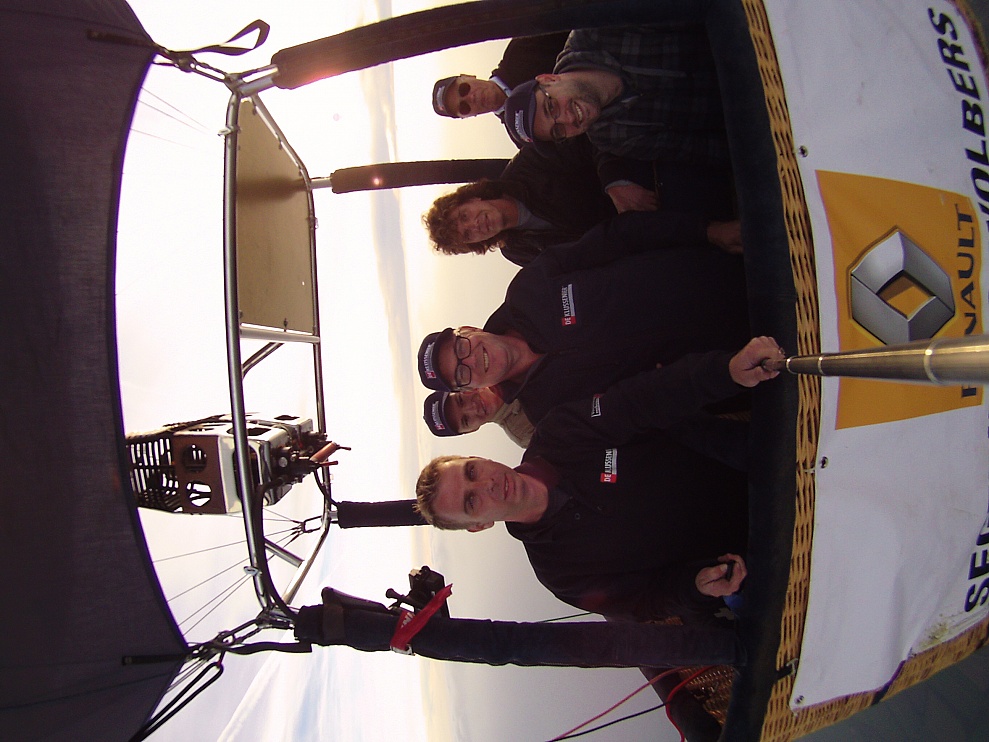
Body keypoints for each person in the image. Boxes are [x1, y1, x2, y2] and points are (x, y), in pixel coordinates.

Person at [415, 338, 783, 623]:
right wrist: (695, 586)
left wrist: (725, 373)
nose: (487, 486)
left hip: (764, 462)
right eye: (471, 501)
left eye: (472, 472)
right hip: (762, 554)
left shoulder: (559, 432)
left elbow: (642, 399)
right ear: (479, 525)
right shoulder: (560, 572)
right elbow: (645, 601)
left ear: (480, 458)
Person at [416, 210, 747, 425]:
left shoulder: (529, 288)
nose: (472, 360)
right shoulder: (547, 413)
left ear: (469, 329)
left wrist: (707, 230)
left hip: (728, 273)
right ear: (472, 387)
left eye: (461, 348)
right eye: (462, 373)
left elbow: (617, 237)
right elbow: (645, 416)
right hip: (738, 363)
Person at [502, 25, 734, 216]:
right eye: (558, 131)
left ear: (548, 79)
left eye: (551, 107)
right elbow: (700, 149)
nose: (567, 118)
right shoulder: (610, 138)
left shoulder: (597, 28)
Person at [422, 137, 662, 265]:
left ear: (472, 197)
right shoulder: (518, 252)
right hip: (649, 241)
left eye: (464, 216)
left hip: (650, 183)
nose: (475, 225)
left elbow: (589, 140)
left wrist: (615, 183)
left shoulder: (529, 164)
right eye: (467, 235)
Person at [431, 32, 569, 120]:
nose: (470, 98)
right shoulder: (522, 137)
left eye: (464, 89)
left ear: (468, 76)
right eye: (464, 107)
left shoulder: (521, 48)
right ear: (468, 116)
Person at [423, 387, 534, 447]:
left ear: (463, 388)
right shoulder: (523, 433)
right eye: (466, 420)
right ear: (471, 430)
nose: (473, 408)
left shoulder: (502, 359)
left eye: (461, 401)